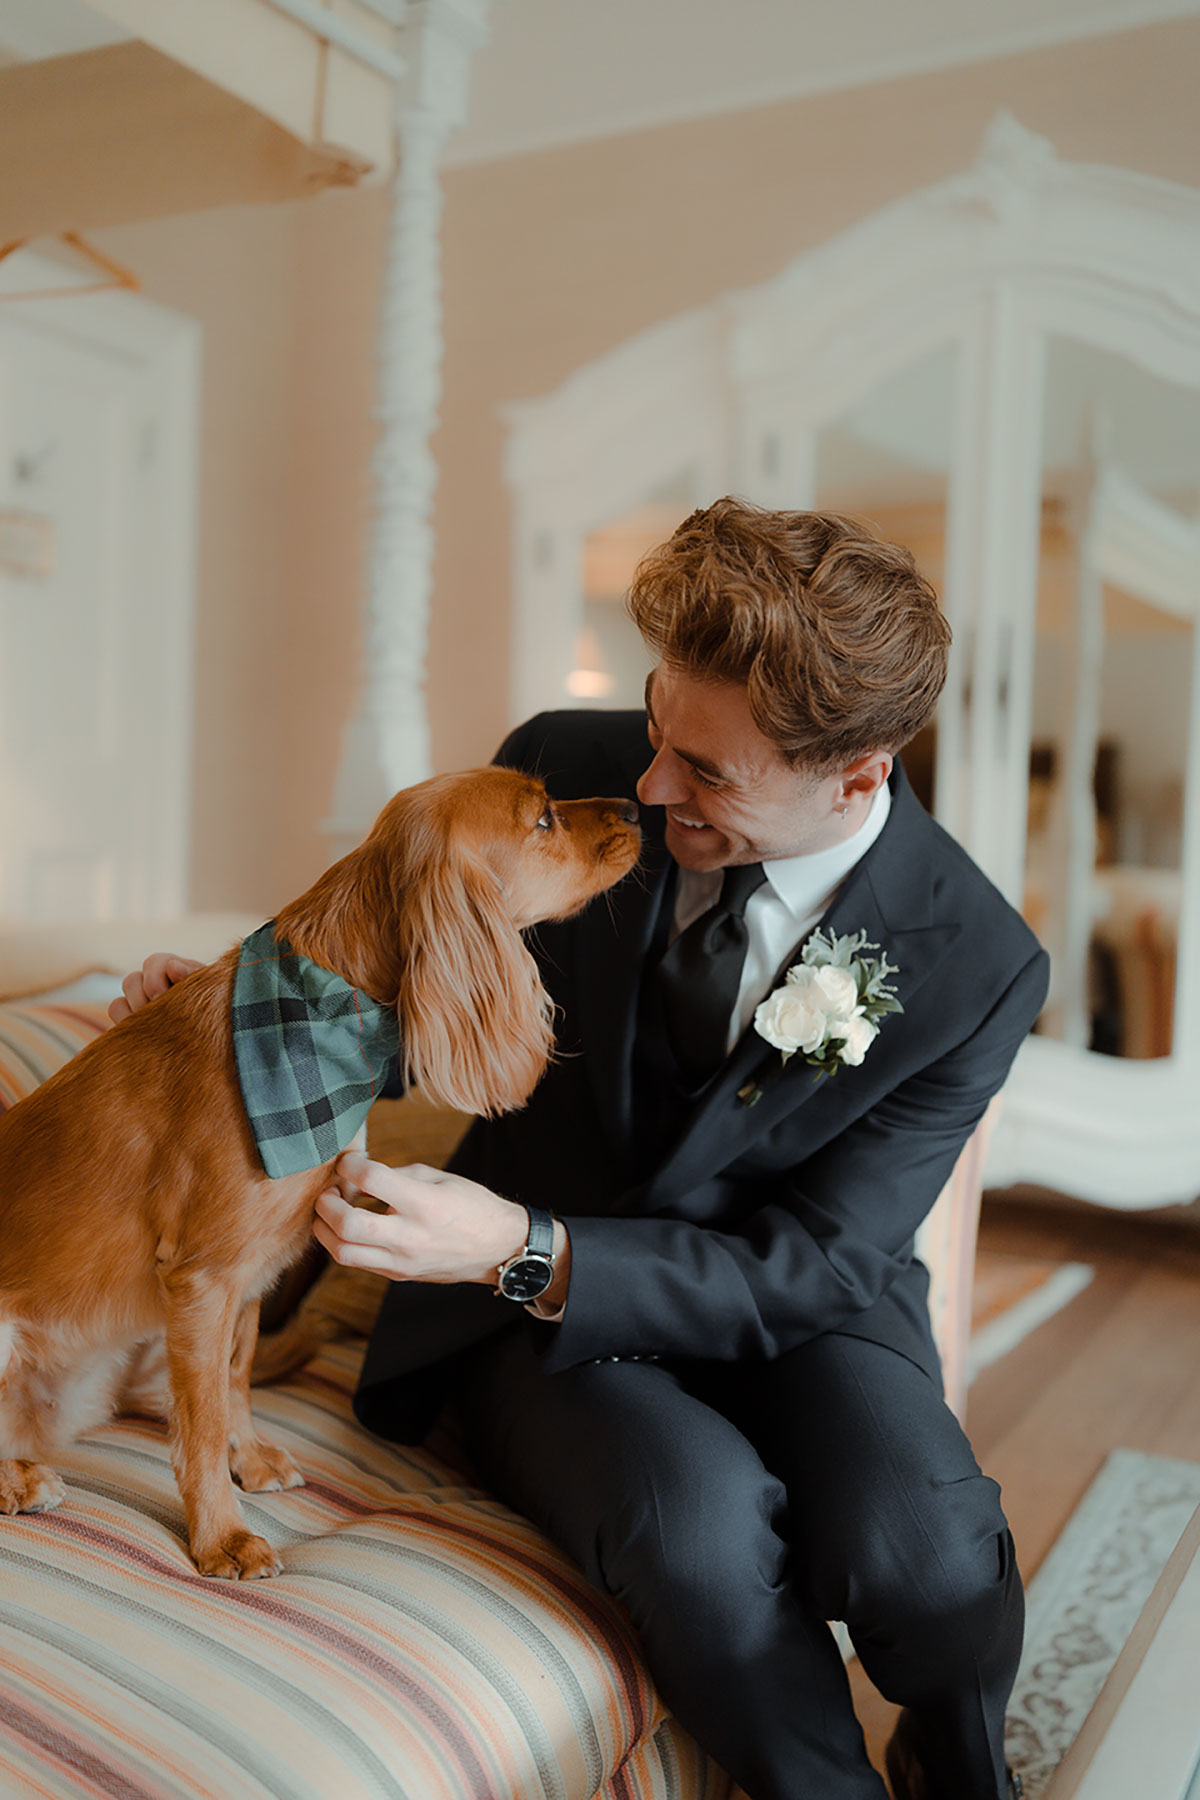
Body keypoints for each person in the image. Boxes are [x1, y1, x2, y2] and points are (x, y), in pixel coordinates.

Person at [119, 501, 1045, 1800]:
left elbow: (824, 1259)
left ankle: (960, 1766)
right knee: (699, 1533)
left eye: (708, 773)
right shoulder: (560, 763)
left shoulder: (980, 962)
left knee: (927, 1554)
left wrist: (525, 1242)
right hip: (525, 1317)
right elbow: (422, 974)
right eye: (659, 724)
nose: (651, 784)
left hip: (797, 1301)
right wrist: (225, 1014)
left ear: (858, 773)